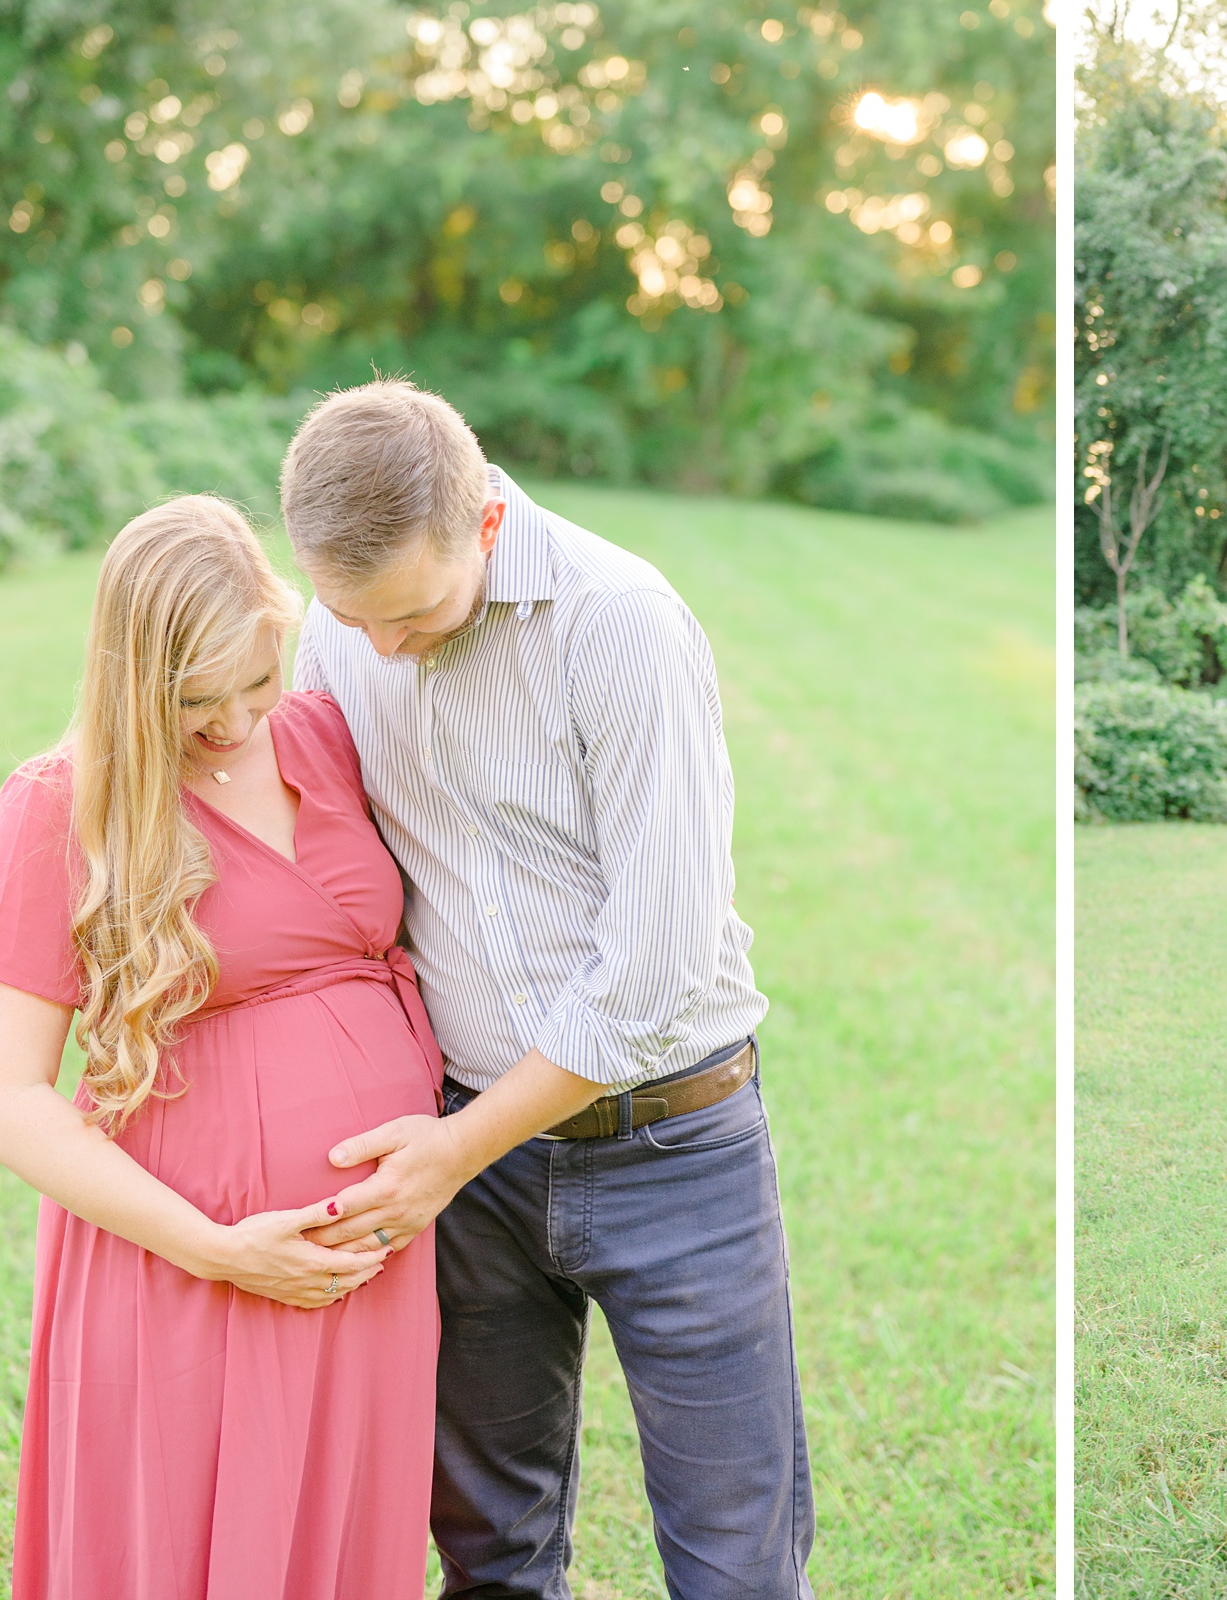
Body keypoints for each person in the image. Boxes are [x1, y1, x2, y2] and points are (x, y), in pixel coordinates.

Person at [277, 381, 813, 1600]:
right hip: (471, 1171)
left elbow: (656, 969)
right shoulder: (340, 628)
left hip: (676, 1147)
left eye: (409, 613)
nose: (381, 650)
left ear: (486, 525)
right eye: (351, 617)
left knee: (738, 1565)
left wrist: (456, 1147)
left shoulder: (620, 621)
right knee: (489, 1556)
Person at [0, 495, 446, 1599]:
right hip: (182, 1260)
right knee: (176, 1545)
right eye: (191, 699)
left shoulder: (322, 732)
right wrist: (218, 1247)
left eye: (254, 682)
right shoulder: (63, 803)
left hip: (363, 1266)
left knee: (335, 1537)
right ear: (130, 677)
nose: (231, 723)